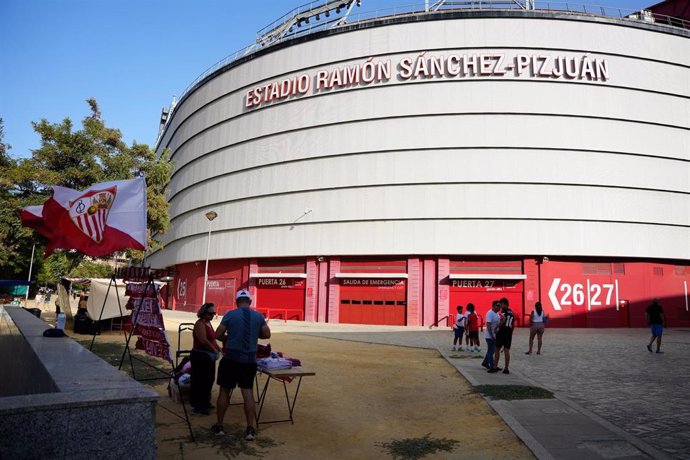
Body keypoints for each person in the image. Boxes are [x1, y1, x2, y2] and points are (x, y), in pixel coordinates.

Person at [213, 289, 271, 440]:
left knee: (224, 391)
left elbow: (217, 334)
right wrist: (254, 334)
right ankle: (250, 429)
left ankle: (219, 426)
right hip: (249, 361)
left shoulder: (230, 315)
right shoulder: (258, 316)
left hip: (231, 359)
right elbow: (266, 334)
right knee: (248, 392)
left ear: (237, 302)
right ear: (250, 302)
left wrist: (228, 338)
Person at [190, 303, 221, 415]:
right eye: (210, 313)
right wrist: (214, 349)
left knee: (209, 379)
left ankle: (205, 402)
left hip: (208, 356)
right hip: (201, 356)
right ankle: (198, 405)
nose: (212, 315)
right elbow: (203, 340)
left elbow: (212, 339)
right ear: (204, 313)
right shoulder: (200, 324)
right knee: (200, 381)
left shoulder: (208, 323)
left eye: (214, 313)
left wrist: (218, 348)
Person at [489, 298, 515, 374]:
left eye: (501, 304)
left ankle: (495, 366)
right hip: (508, 333)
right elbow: (512, 325)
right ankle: (506, 368)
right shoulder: (512, 313)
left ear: (505, 304)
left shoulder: (503, 313)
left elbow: (502, 321)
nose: (500, 306)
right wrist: (511, 333)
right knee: (507, 350)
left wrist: (496, 327)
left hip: (502, 332)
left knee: (497, 349)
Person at [482, 301, 501, 370]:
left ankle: (485, 362)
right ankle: (492, 365)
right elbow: (488, 325)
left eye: (499, 306)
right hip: (489, 336)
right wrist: (491, 335)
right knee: (491, 350)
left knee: (491, 350)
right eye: (497, 305)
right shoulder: (490, 313)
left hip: (495, 335)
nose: (499, 307)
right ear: (493, 306)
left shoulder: (497, 314)